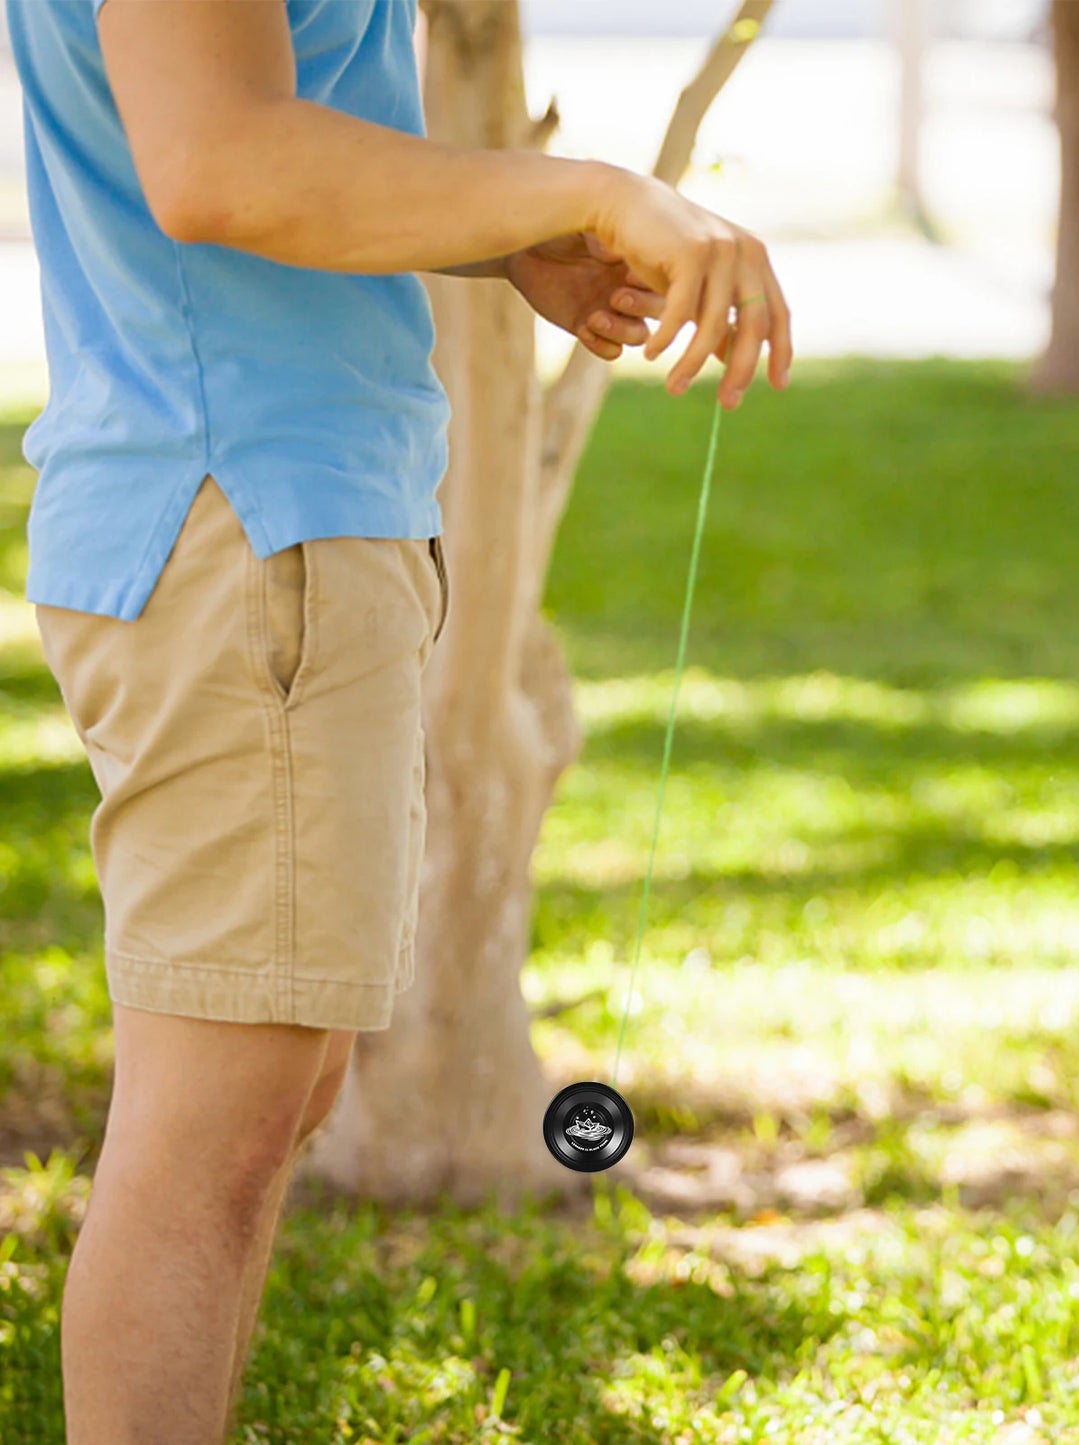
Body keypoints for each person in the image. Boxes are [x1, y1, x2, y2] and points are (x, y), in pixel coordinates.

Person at [3, 0, 792, 1441]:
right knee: (213, 1130)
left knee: (270, 1097)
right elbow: (215, 160)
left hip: (285, 513)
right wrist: (589, 188)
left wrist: (500, 235)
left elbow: (266, 133)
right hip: (246, 517)